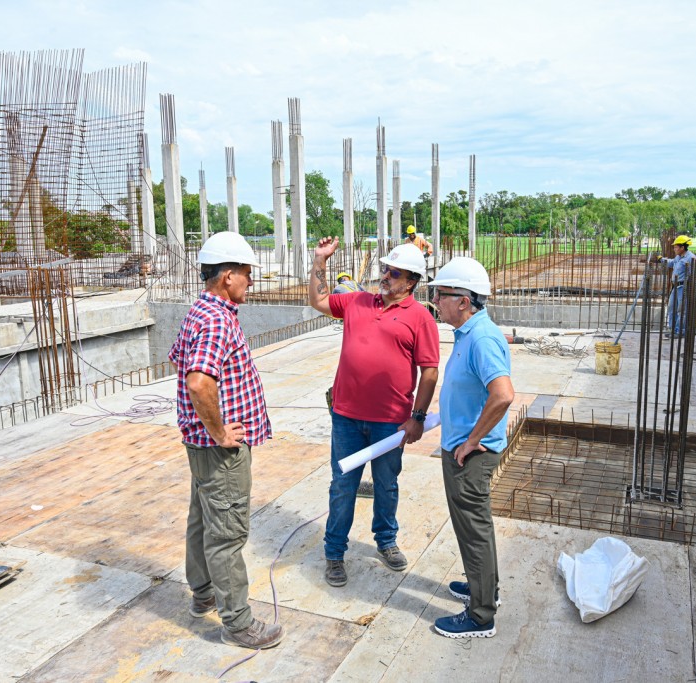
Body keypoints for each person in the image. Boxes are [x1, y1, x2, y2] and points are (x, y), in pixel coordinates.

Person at [169, 231, 282, 650]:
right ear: (228, 276)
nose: (251, 282)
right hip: (220, 450)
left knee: (203, 518)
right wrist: (219, 431)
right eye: (248, 275)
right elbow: (199, 383)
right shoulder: (216, 320)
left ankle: (203, 592)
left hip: (203, 447)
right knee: (227, 533)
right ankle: (238, 623)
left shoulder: (202, 310)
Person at [308, 238, 440, 587]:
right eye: (384, 269)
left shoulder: (420, 318)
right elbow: (319, 300)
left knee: (386, 484)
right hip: (347, 417)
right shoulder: (357, 301)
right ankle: (334, 553)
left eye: (393, 273)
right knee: (342, 485)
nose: (385, 276)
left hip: (391, 422)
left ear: (411, 281)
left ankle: (386, 541)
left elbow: (429, 370)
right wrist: (320, 261)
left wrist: (418, 417)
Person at [429, 257, 514, 639]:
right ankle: (483, 587)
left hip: (471, 455)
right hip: (463, 447)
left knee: (473, 528)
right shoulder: (468, 333)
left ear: (464, 301)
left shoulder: (481, 338)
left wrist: (472, 439)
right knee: (472, 527)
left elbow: (503, 395)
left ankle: (481, 615)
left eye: (440, 295)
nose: (435, 301)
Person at [655, 234, 696, 338]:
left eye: (676, 247)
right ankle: (673, 329)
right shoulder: (679, 257)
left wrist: (690, 287)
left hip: (684, 288)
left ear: (682, 247)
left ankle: (680, 331)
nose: (674, 249)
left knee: (682, 310)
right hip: (675, 287)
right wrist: (662, 259)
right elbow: (671, 263)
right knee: (671, 307)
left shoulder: (691, 258)